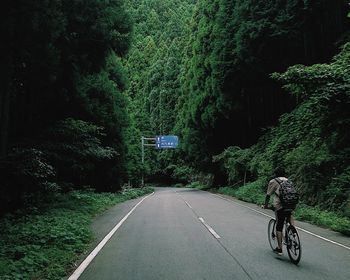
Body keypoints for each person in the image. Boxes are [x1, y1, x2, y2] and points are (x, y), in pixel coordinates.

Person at [262, 172, 295, 256]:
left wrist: (265, 205)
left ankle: (279, 248)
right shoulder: (287, 180)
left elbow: (268, 195)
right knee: (289, 214)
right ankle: (293, 230)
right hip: (291, 202)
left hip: (280, 205)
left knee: (279, 226)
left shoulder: (272, 181)